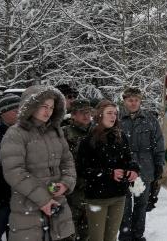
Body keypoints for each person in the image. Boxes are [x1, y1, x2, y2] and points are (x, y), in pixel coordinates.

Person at [0, 85, 76, 241]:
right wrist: (44, 200)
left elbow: (67, 162)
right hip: (27, 209)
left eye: (51, 107)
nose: (48, 111)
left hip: (58, 206)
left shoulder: (56, 131)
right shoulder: (15, 133)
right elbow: (14, 172)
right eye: (43, 106)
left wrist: (66, 183)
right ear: (31, 105)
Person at [78, 100, 140, 241]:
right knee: (97, 238)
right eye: (109, 113)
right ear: (100, 115)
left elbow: (129, 160)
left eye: (115, 113)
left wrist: (133, 170)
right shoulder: (89, 140)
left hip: (118, 195)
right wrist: (108, 173)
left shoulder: (120, 136)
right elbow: (82, 170)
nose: (113, 116)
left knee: (111, 237)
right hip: (97, 198)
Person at [119, 87, 164, 241]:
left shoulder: (150, 119)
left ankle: (138, 235)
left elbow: (158, 144)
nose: (133, 103)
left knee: (141, 205)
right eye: (130, 100)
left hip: (145, 168)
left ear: (140, 101)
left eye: (136, 100)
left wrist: (159, 165)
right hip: (123, 168)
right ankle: (125, 235)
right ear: (124, 101)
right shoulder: (117, 120)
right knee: (124, 206)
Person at [0, 94, 20, 240]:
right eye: (15, 110)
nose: (19, 113)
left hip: (20, 197)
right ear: (3, 112)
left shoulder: (24, 134)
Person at [64, 99, 94, 240]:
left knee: (90, 228)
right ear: (73, 115)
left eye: (88, 113)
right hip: (73, 188)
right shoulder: (64, 133)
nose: (86, 116)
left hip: (92, 186)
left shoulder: (96, 131)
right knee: (71, 227)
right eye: (82, 113)